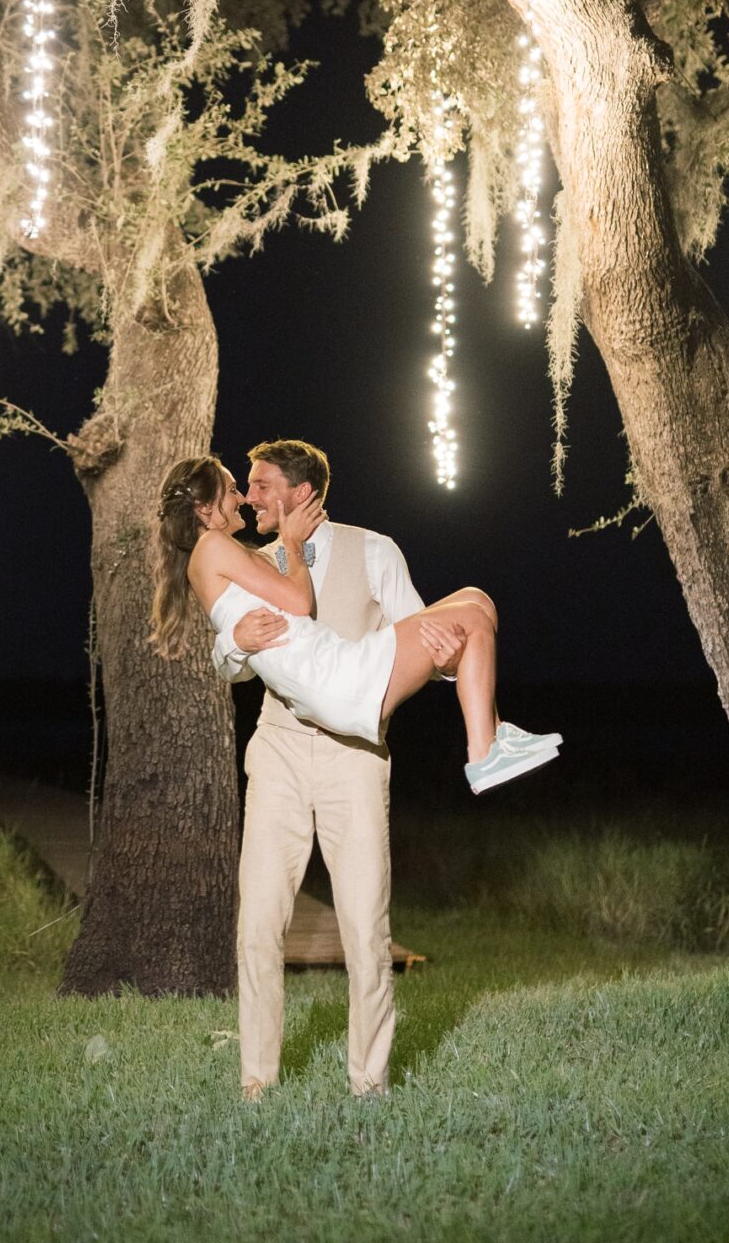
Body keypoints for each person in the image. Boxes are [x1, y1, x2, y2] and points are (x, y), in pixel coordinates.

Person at [151, 444, 561, 1101]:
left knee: (366, 928)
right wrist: (235, 644)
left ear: (299, 491)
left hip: (355, 756)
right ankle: (257, 1080)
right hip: (281, 751)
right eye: (242, 488)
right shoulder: (248, 557)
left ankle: (368, 1084)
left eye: (259, 486)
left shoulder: (376, 551)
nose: (250, 497)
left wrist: (447, 656)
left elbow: (430, 650)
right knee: (257, 922)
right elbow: (226, 653)